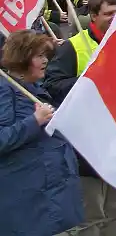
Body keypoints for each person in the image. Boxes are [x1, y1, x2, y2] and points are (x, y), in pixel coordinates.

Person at [43, 0, 116, 236]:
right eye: (108, 13)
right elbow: (52, 86)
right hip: (85, 144)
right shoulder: (72, 47)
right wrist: (89, 81)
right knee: (91, 214)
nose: (114, 17)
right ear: (92, 15)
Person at [0, 31, 84, 236]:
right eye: (39, 56)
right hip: (24, 195)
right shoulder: (6, 89)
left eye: (45, 55)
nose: (45, 61)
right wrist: (34, 121)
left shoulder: (34, 86)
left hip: (44, 190)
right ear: (22, 58)